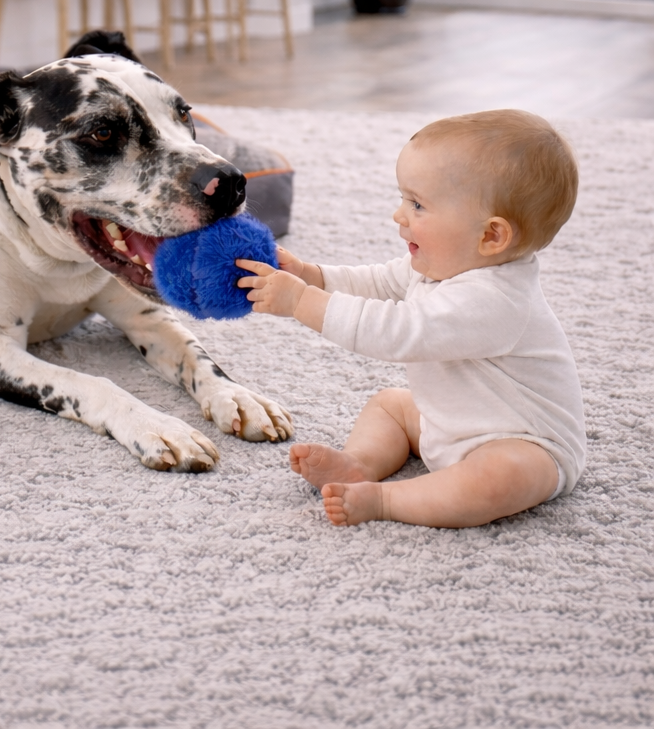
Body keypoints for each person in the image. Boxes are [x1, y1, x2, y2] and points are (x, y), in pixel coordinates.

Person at [236, 110, 585, 529]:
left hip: (522, 441)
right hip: (447, 426)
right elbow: (379, 283)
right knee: (390, 405)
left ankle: (386, 499)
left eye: (417, 204)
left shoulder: (496, 301)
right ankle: (359, 463)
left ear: (491, 236)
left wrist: (302, 302)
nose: (399, 215)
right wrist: (314, 276)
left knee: (499, 476)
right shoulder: (444, 263)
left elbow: (398, 332)